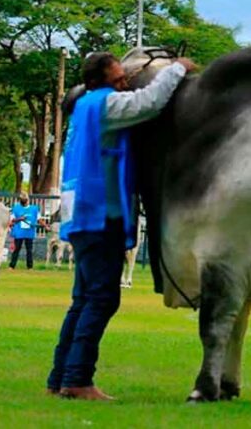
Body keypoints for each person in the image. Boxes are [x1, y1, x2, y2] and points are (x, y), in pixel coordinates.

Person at [47, 51, 195, 401]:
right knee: (101, 299)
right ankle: (77, 379)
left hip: (82, 215)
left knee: (83, 300)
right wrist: (177, 68)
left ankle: (60, 376)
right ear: (100, 82)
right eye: (117, 79)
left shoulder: (83, 107)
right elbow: (151, 102)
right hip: (101, 216)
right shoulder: (107, 106)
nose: (123, 83)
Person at [9, 192, 43, 270]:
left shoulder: (34, 209)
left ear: (27, 200)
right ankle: (12, 266)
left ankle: (30, 266)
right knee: (16, 249)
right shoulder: (16, 208)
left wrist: (45, 226)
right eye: (22, 200)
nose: (24, 202)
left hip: (29, 233)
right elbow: (12, 220)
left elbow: (39, 219)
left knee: (29, 250)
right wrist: (20, 219)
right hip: (19, 233)